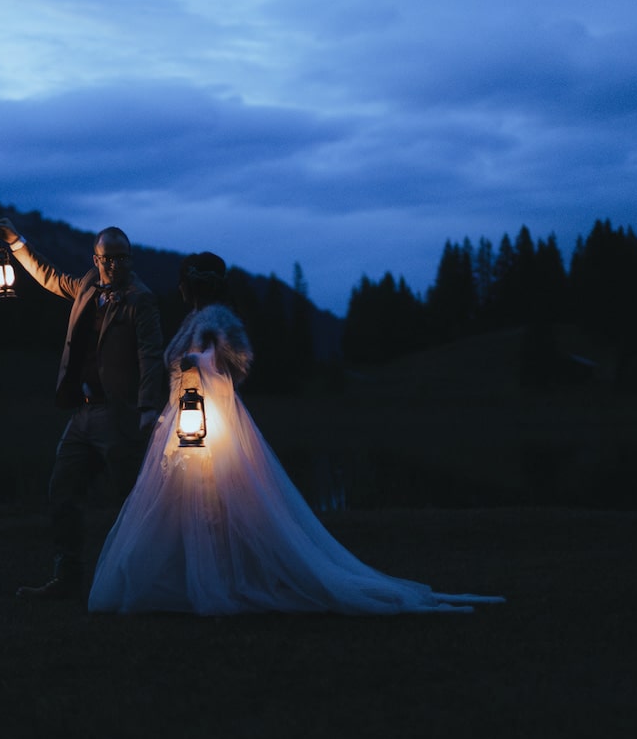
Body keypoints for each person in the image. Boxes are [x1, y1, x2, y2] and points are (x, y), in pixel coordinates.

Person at [88, 252, 504, 615]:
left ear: (192, 284)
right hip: (185, 420)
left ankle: (216, 580)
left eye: (183, 282)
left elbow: (231, 362)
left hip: (207, 423)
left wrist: (201, 361)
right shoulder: (197, 319)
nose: (179, 289)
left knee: (210, 498)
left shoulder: (215, 320)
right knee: (186, 502)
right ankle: (194, 578)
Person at [0, 217, 168, 600]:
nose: (116, 265)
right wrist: (18, 243)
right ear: (96, 259)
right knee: (62, 490)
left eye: (123, 258)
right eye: (110, 259)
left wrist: (148, 407)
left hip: (119, 414)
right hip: (83, 413)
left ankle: (144, 581)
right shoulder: (88, 284)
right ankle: (67, 578)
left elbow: (151, 355)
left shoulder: (141, 299)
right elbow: (49, 276)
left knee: (131, 501)